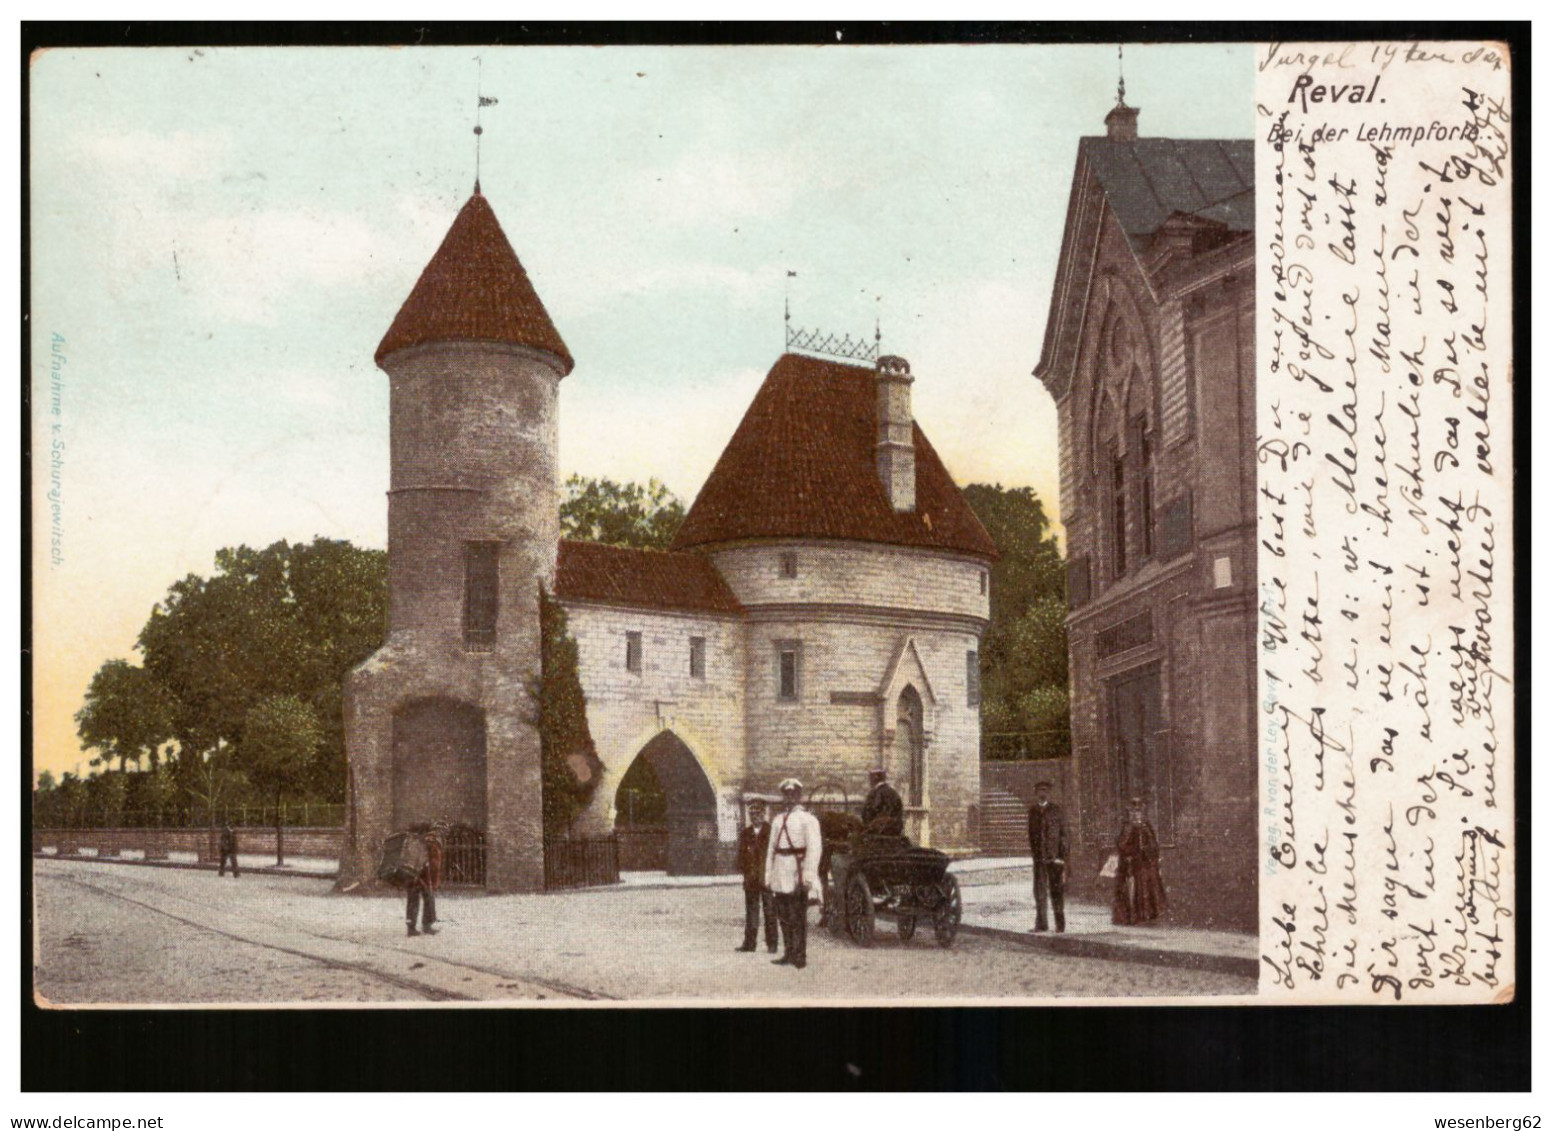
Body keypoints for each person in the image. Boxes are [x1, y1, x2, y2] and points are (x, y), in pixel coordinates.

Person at [764, 778, 823, 969]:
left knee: (798, 917)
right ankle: (788, 952)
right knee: (784, 916)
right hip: (780, 871)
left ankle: (800, 955)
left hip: (797, 871)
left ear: (799, 796)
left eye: (793, 794)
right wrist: (768, 875)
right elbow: (771, 850)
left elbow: (814, 850)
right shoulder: (777, 820)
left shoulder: (808, 820)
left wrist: (808, 877)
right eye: (786, 794)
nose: (789, 798)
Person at [1113, 797, 1167, 925]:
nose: (1136, 815)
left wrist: (1152, 853)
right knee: (1136, 888)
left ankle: (1149, 914)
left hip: (1147, 862)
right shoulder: (1128, 827)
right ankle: (1135, 916)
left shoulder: (1146, 826)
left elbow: (1153, 843)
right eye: (1134, 812)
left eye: (1139, 812)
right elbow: (1122, 845)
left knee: (1151, 886)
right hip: (1134, 864)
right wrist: (1134, 851)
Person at [735, 799, 777, 953]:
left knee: (770, 912)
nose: (755, 817)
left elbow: (775, 855)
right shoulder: (746, 833)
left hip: (767, 878)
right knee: (751, 912)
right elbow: (741, 856)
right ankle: (749, 944)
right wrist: (745, 872)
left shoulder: (771, 832)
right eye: (752, 814)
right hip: (751, 879)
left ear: (764, 814)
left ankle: (772, 945)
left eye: (758, 813)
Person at [1027, 781, 1067, 932]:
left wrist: (1061, 856)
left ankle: (1060, 924)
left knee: (1056, 892)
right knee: (1039, 892)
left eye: (1045, 791)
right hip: (1039, 859)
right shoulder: (1033, 811)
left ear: (1049, 793)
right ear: (1036, 793)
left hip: (1054, 859)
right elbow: (1031, 835)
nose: (1042, 793)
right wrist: (1035, 854)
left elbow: (1064, 835)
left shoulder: (1056, 810)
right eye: (1039, 791)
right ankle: (1041, 924)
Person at [403, 826, 441, 937]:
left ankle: (414, 927)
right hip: (420, 877)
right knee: (426, 900)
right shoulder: (425, 846)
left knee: (415, 901)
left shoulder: (412, 844)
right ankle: (423, 926)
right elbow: (431, 864)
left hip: (414, 876)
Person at [859, 766, 905, 837]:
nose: (869, 780)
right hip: (895, 832)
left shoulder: (875, 793)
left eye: (870, 777)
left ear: (875, 777)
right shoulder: (893, 792)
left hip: (877, 834)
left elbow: (870, 812)